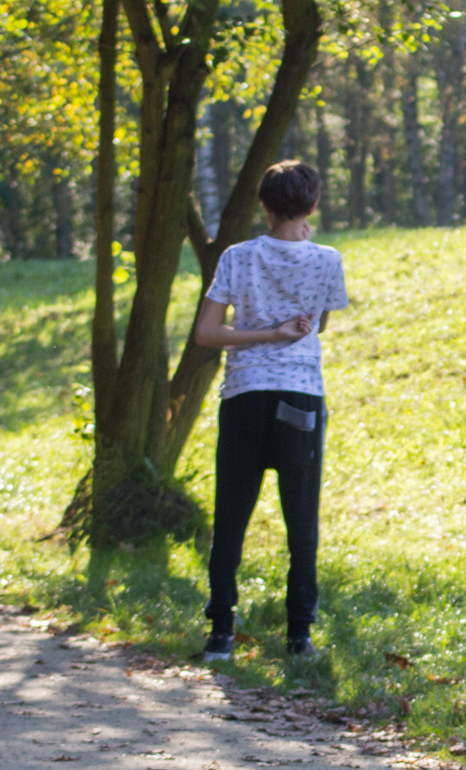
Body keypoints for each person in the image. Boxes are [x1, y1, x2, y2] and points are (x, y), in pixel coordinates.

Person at [191, 160, 348, 661]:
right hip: (300, 395)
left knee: (231, 514)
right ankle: (299, 635)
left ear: (263, 204)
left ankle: (221, 633)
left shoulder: (237, 257)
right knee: (301, 519)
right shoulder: (327, 259)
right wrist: (285, 332)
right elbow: (317, 326)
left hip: (244, 395)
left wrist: (263, 334)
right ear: (313, 206)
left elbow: (207, 334)